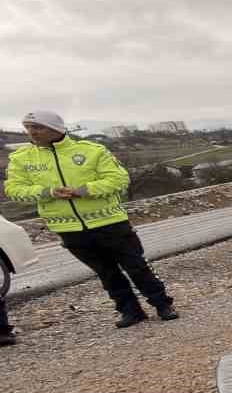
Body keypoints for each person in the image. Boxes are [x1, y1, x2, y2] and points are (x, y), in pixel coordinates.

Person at [4, 110, 177, 328]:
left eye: (37, 127)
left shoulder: (91, 150)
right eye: (28, 127)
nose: (31, 132)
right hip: (69, 228)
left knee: (137, 266)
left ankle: (162, 304)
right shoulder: (21, 158)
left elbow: (118, 179)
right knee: (106, 272)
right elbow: (14, 189)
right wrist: (48, 191)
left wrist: (84, 190)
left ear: (55, 129)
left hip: (110, 223)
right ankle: (130, 311)